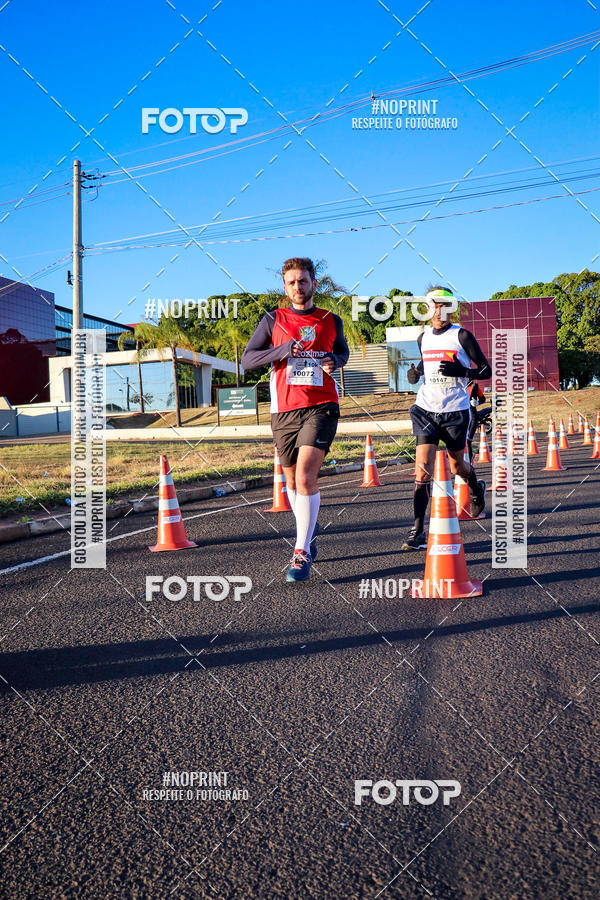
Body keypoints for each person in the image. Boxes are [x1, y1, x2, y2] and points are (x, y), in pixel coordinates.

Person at [241, 257, 349, 581]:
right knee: (290, 482)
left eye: (303, 281)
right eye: (291, 282)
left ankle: (301, 550)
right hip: (284, 410)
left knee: (304, 477)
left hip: (322, 405)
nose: (298, 287)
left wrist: (335, 360)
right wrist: (282, 350)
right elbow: (247, 360)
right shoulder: (273, 320)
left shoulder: (332, 320)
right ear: (285, 287)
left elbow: (342, 353)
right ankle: (308, 534)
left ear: (314, 284)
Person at [403, 286, 492, 550]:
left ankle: (476, 488)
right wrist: (415, 374)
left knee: (457, 468)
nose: (440, 311)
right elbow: (424, 364)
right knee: (422, 469)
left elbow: (485, 369)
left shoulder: (462, 336)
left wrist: (462, 370)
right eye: (435, 305)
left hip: (455, 410)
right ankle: (417, 530)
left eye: (445, 305)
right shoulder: (423, 337)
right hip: (426, 409)